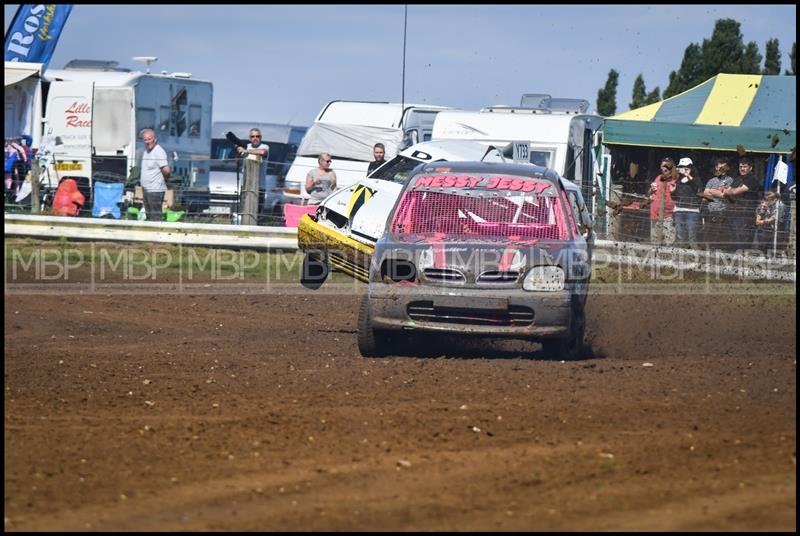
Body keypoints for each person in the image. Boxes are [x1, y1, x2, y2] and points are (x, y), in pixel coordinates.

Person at [723, 158, 761, 250]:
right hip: (735, 211)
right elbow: (726, 191)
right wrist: (731, 191)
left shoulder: (752, 178)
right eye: (740, 167)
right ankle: (736, 254)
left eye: (745, 167)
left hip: (747, 213)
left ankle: (744, 255)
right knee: (734, 235)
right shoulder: (738, 178)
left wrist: (732, 191)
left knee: (743, 236)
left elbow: (736, 191)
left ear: (750, 168)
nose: (742, 169)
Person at [700, 157, 734, 249]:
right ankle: (706, 249)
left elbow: (724, 195)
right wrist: (717, 192)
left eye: (724, 167)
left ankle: (716, 249)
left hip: (722, 211)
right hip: (710, 211)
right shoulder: (711, 180)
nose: (721, 169)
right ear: (716, 168)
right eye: (719, 167)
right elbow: (705, 196)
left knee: (718, 232)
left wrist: (711, 191)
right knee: (708, 232)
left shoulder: (730, 180)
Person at [672, 157, 704, 249]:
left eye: (686, 168)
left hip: (692, 210)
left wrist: (689, 176)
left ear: (691, 168)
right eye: (682, 167)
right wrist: (673, 191)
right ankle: (682, 252)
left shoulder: (696, 178)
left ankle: (693, 253)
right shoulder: (678, 179)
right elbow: (676, 195)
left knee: (692, 234)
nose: (684, 170)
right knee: (680, 233)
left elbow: (699, 189)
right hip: (679, 209)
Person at [139, 128, 171, 222]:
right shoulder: (146, 151)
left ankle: (158, 234)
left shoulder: (158, 151)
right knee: (149, 216)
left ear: (155, 139)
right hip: (146, 189)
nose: (147, 142)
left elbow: (166, 170)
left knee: (155, 216)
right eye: (145, 140)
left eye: (149, 139)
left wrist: (166, 179)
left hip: (155, 189)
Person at [648, 157, 677, 245]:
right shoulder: (658, 177)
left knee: (668, 241)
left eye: (666, 165)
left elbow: (676, 194)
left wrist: (674, 191)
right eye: (662, 165)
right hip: (654, 214)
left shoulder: (674, 178)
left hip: (667, 215)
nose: (664, 167)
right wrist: (651, 190)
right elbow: (649, 192)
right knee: (655, 241)